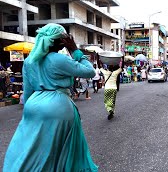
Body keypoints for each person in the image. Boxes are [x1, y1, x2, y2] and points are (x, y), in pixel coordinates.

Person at [3, 23, 97, 171]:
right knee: (59, 150)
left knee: (30, 147)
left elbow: (27, 92)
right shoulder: (59, 59)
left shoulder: (29, 61)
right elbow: (90, 72)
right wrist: (74, 50)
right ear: (58, 41)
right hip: (58, 106)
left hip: (33, 106)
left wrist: (28, 114)